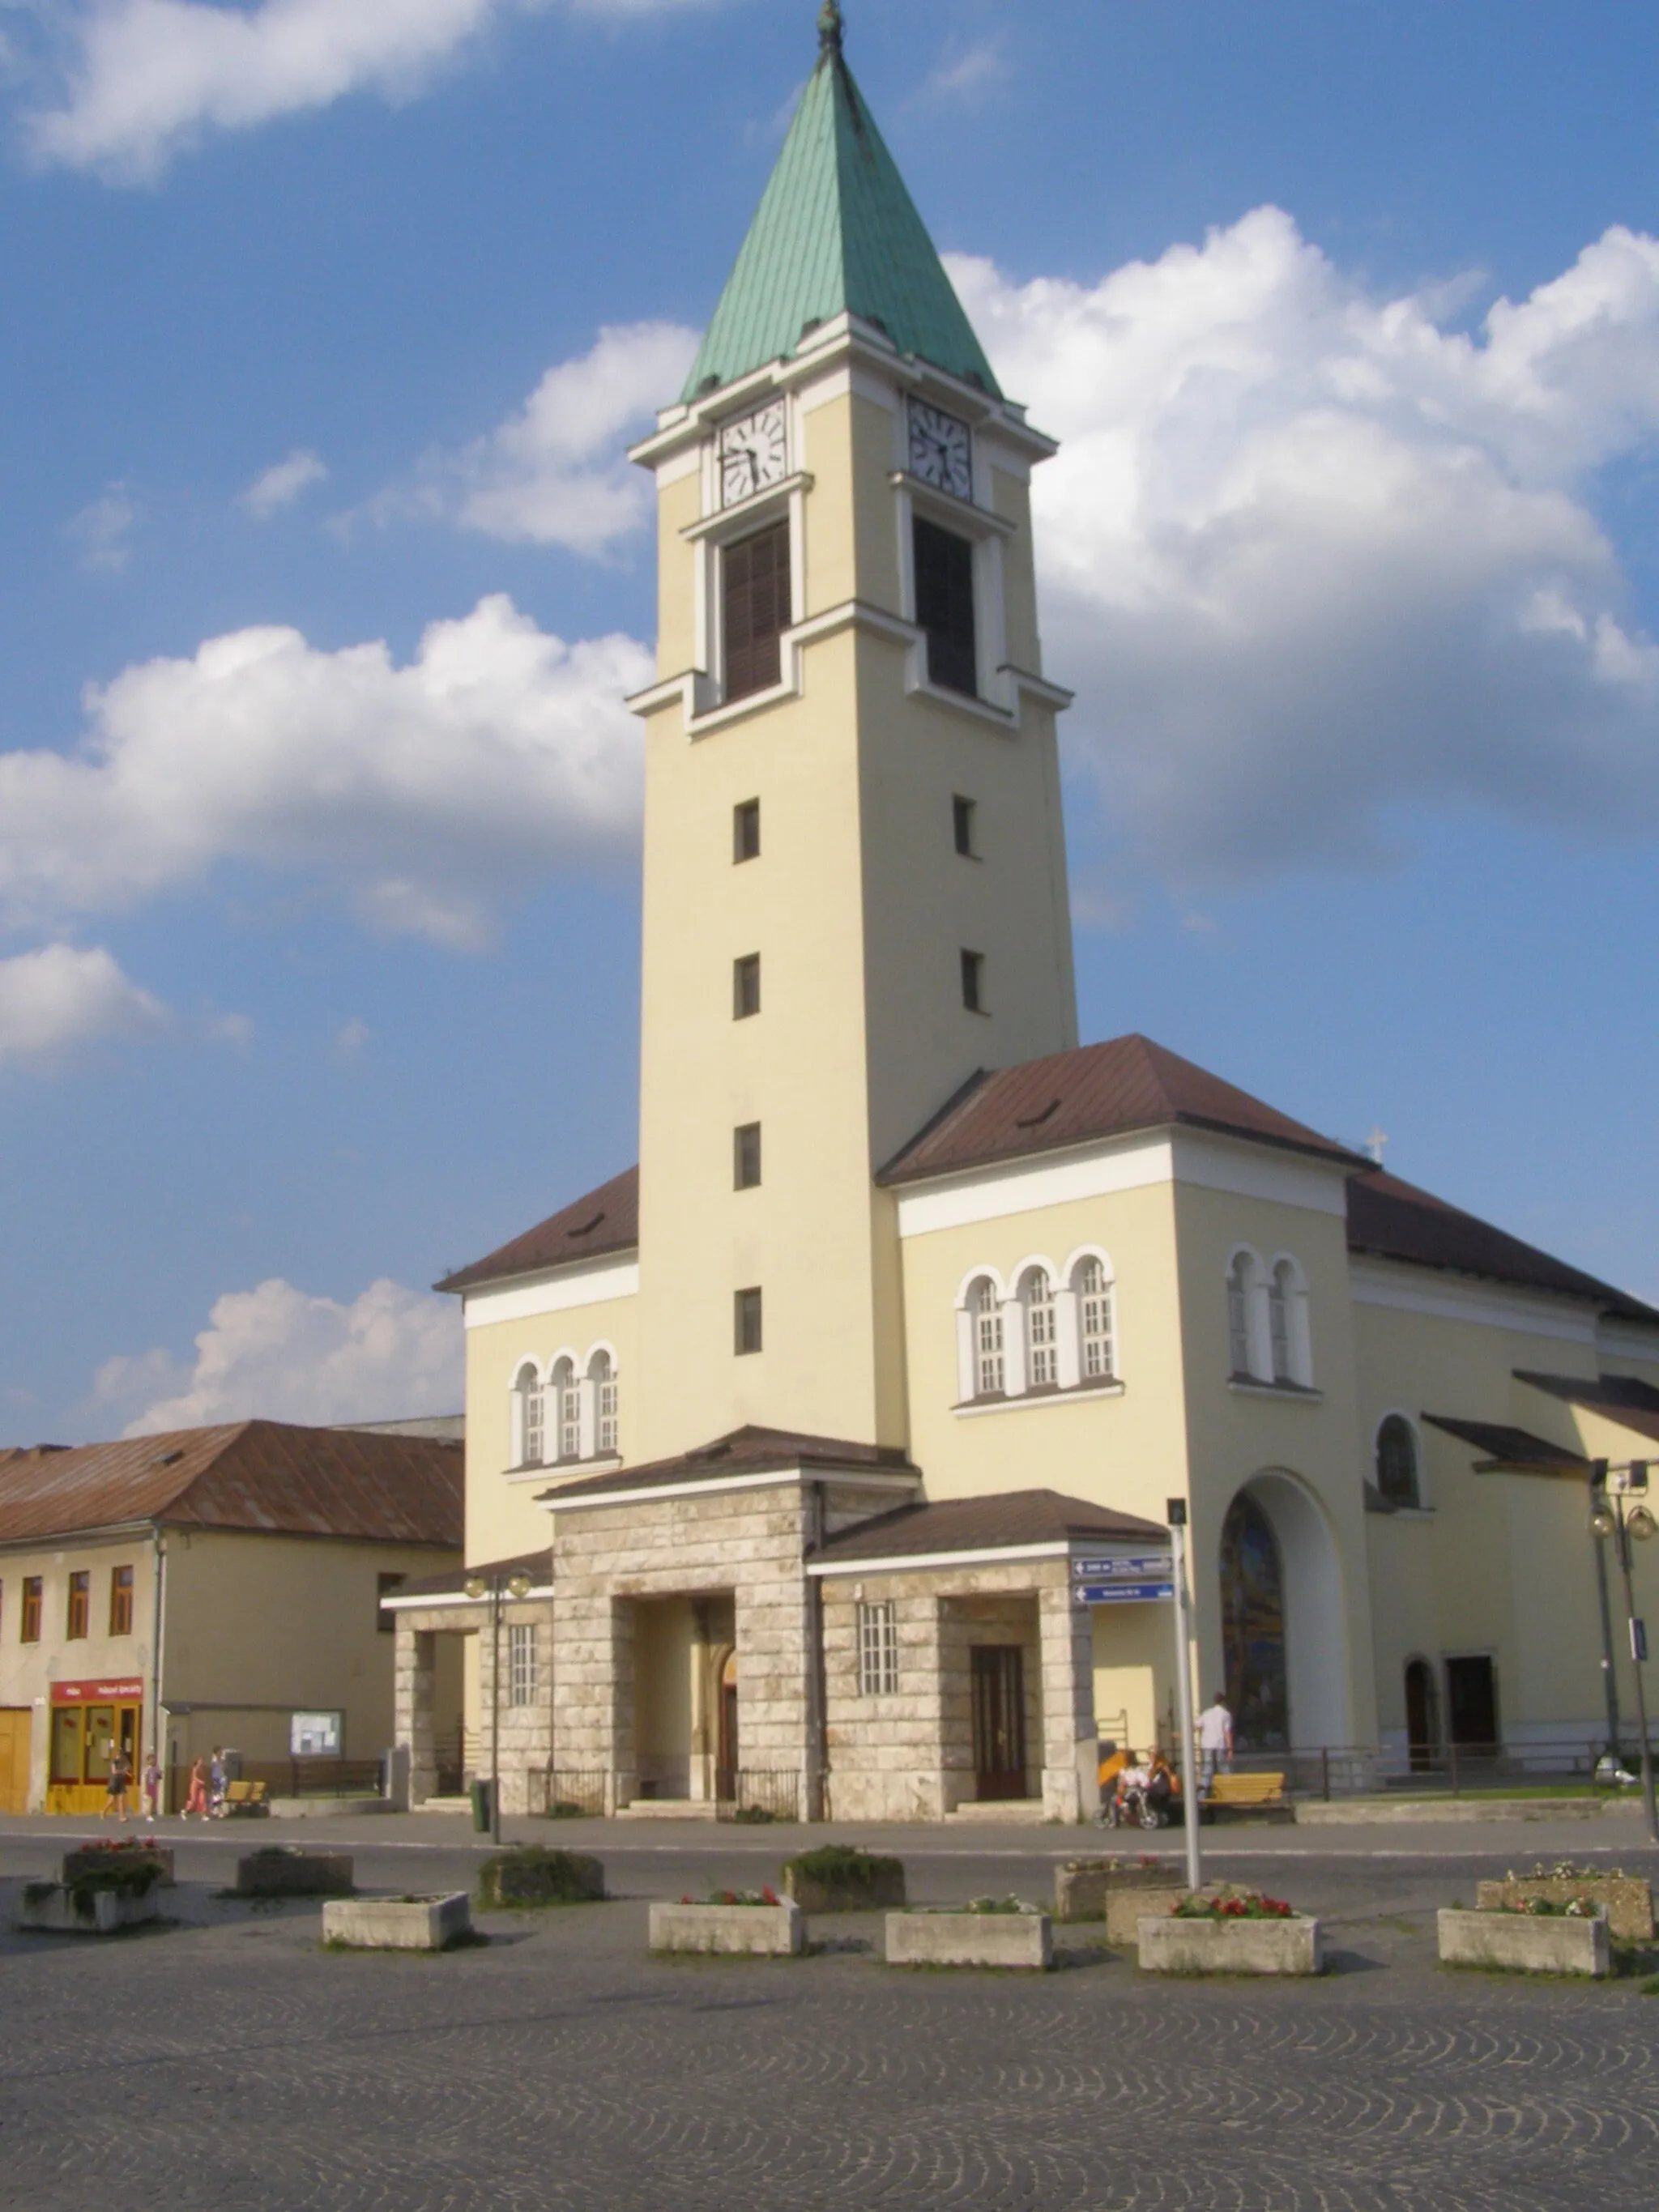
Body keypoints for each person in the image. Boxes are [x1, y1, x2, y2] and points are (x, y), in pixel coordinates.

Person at [1198, 1691, 1234, 1793]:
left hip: (1207, 1745)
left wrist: (1182, 1734)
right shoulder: (1226, 1714)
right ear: (1223, 1702)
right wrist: (1230, 1749)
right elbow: (1227, 1732)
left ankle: (1202, 1795)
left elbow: (1196, 1726)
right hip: (1219, 1745)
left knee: (1207, 1770)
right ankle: (1229, 1792)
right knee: (1223, 1768)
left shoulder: (1207, 1713)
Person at [101, 1744, 132, 1825]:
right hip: (114, 1781)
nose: (120, 1756)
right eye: (118, 1754)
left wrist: (128, 1773)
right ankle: (103, 1811)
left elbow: (128, 1768)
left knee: (121, 1800)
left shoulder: (125, 1760)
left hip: (121, 1782)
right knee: (111, 1801)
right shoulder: (113, 1761)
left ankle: (122, 1817)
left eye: (121, 1754)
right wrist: (123, 1771)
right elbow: (114, 1771)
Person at [182, 1754, 209, 1820]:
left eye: (202, 1761)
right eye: (200, 1761)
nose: (202, 1762)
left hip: (201, 1787)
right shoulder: (195, 1768)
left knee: (202, 1800)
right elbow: (194, 1777)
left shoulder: (202, 1769)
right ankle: (185, 1811)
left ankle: (203, 1815)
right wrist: (201, 1781)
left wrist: (204, 1783)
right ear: (197, 1762)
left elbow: (203, 1778)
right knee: (193, 1801)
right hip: (194, 1786)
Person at [141, 1750, 162, 1824]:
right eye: (152, 1759)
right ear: (148, 1761)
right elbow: (145, 1778)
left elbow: (159, 1777)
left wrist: (159, 1773)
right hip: (149, 1785)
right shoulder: (147, 1769)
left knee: (154, 1801)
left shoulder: (156, 1768)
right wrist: (144, 1788)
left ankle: (150, 1813)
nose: (154, 1761)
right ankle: (148, 1815)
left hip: (154, 1785)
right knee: (150, 1801)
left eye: (155, 1759)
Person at [207, 1747, 226, 1819]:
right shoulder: (214, 1761)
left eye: (221, 1752)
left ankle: (217, 1811)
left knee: (218, 1796)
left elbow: (222, 1769)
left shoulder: (221, 1760)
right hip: (216, 1779)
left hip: (220, 1779)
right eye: (219, 1752)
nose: (220, 1753)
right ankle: (213, 1811)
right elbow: (214, 1771)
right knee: (215, 1796)